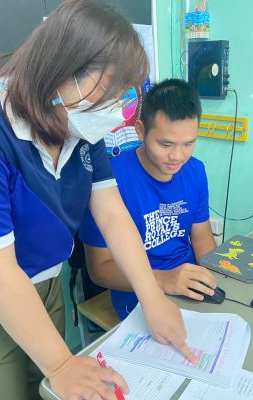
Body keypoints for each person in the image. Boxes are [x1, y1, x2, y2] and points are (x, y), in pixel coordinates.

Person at [0, 2, 195, 400]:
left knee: (45, 391)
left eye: (122, 97)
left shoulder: (79, 125)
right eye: (107, 94)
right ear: (59, 70)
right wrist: (61, 364)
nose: (115, 112)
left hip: (47, 287)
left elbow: (112, 215)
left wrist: (152, 296)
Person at [79, 78, 218, 320]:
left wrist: (215, 283)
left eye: (188, 144)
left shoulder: (195, 171)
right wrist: (162, 280)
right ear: (141, 131)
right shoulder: (107, 183)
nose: (177, 156)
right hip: (137, 293)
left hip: (188, 285)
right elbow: (99, 269)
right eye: (165, 144)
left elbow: (202, 240)